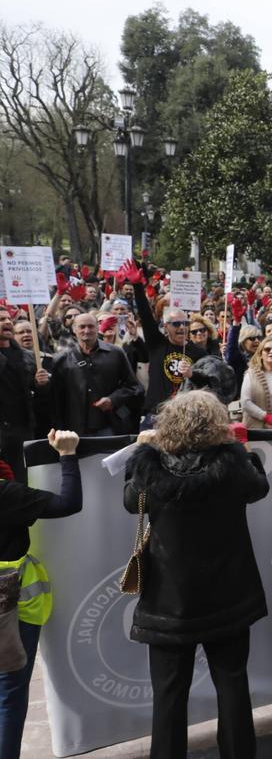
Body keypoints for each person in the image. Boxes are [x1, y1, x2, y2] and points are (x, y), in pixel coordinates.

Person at [124, 391, 270, 758]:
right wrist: (239, 448)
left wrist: (141, 452)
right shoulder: (233, 466)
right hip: (228, 595)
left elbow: (130, 501)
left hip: (169, 603)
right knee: (232, 685)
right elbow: (259, 487)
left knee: (169, 695)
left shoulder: (151, 467)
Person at [0, 429, 80, 758]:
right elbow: (68, 503)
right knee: (10, 693)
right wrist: (68, 455)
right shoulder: (6, 495)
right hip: (12, 605)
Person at [125, 261, 205, 427]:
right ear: (166, 326)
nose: (182, 327)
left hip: (185, 418)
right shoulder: (157, 344)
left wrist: (192, 374)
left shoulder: (198, 353)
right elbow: (146, 316)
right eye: (176, 324)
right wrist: (137, 286)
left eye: (185, 323)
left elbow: (208, 383)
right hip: (156, 417)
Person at [49, 313, 143, 436]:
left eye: (90, 326)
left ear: (98, 328)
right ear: (74, 329)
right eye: (82, 327)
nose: (86, 331)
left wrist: (112, 400)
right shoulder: (61, 359)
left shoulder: (116, 353)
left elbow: (133, 386)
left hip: (109, 426)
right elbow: (56, 398)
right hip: (75, 429)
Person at [0, 309, 51, 482]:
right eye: (1, 319)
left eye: (8, 319)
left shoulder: (25, 355)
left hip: (23, 427)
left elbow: (34, 390)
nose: (7, 322)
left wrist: (39, 383)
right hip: (2, 429)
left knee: (24, 479)